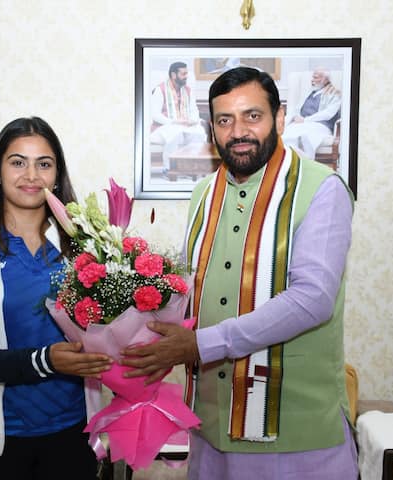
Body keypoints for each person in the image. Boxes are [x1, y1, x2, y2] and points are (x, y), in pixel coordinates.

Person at [120, 67, 357, 480]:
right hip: (212, 425)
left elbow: (312, 299)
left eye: (252, 116)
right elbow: (187, 289)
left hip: (296, 432)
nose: (238, 131)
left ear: (279, 119)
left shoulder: (322, 188)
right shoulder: (203, 193)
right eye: (225, 120)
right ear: (212, 129)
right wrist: (145, 345)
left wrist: (199, 345)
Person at [0, 116, 112, 479]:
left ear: (57, 176)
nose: (31, 175)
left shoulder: (86, 249)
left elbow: (110, 331)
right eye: (18, 162)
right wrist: (45, 361)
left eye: (43, 164)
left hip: (74, 438)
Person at [150, 61, 208, 171]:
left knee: (199, 131)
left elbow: (194, 110)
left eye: (187, 73)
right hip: (163, 127)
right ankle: (170, 169)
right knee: (175, 132)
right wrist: (174, 122)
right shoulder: (160, 90)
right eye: (183, 74)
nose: (186, 76)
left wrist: (193, 121)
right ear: (173, 75)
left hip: (184, 125)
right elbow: (155, 115)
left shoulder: (188, 90)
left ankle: (191, 168)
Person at [282, 67, 342, 159]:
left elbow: (328, 114)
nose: (312, 80)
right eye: (313, 77)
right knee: (287, 134)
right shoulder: (312, 92)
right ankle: (291, 159)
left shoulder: (334, 93)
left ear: (326, 79)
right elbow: (297, 110)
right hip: (303, 123)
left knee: (304, 136)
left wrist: (305, 120)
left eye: (316, 77)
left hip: (320, 126)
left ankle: (305, 160)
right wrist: (293, 118)